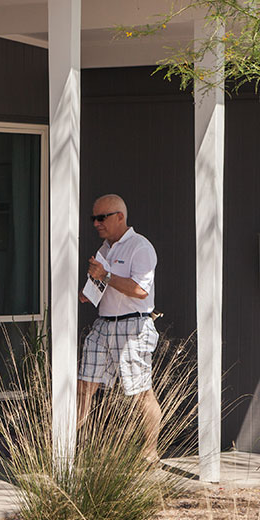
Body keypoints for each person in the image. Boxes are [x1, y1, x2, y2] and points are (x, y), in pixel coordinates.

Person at [78, 194, 162, 460]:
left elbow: (139, 290)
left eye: (101, 217)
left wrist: (106, 275)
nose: (96, 223)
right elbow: (98, 289)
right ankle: (64, 448)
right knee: (84, 386)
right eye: (93, 218)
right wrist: (89, 288)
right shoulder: (105, 249)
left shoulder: (140, 247)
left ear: (119, 217)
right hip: (103, 324)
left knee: (140, 393)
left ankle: (149, 452)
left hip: (133, 325)